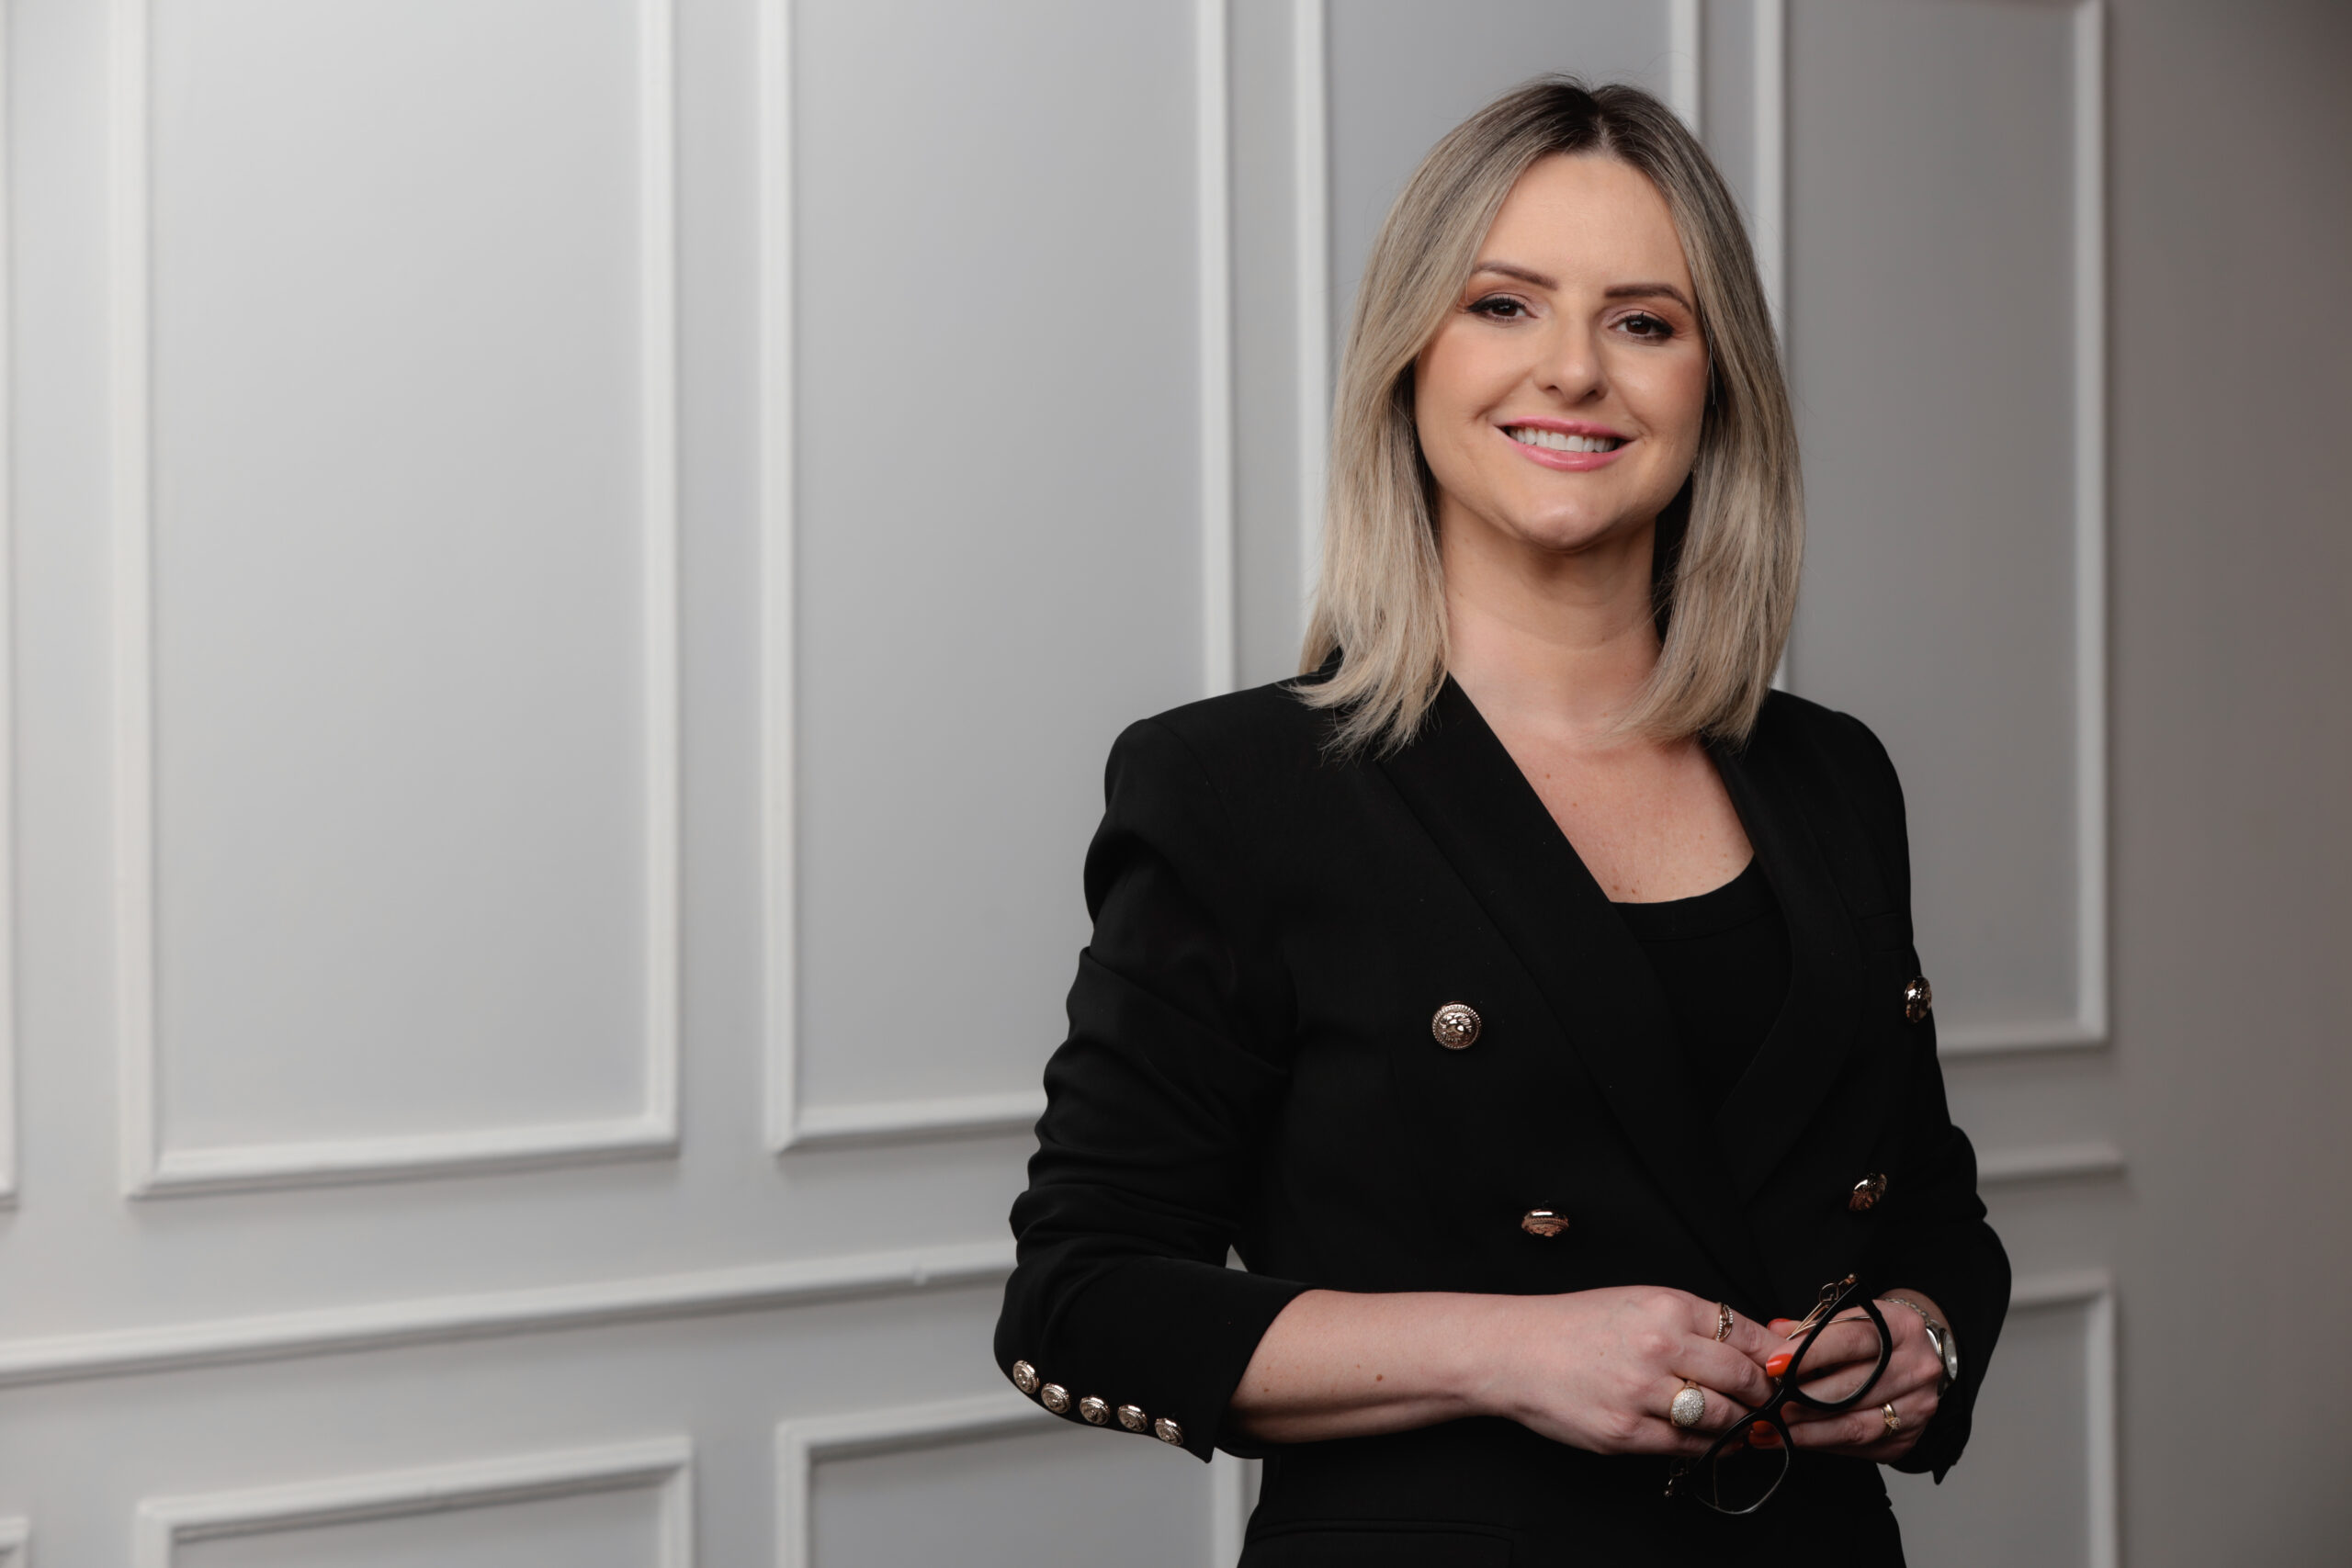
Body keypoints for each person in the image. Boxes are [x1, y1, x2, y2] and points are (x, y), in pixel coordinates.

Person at [994, 77, 2008, 1565]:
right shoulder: (1235, 788)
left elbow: (1930, 1215)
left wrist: (1922, 1337)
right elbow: (1078, 1300)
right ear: (1410, 359)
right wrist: (1509, 1353)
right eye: (1504, 306)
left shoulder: (1833, 776)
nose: (1575, 370)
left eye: (1644, 322)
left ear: (1716, 385)